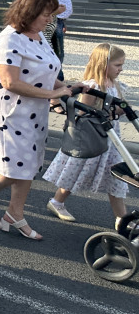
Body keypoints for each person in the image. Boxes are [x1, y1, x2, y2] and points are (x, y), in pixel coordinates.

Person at [0, 0, 68, 241]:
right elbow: (11, 82)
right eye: (46, 14)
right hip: (10, 112)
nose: (50, 19)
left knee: (28, 165)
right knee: (10, 169)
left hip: (34, 109)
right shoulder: (10, 38)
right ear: (29, 13)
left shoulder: (39, 35)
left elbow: (46, 70)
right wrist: (53, 96)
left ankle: (14, 214)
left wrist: (68, 87)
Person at [44, 43, 130, 222]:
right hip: (93, 137)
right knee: (78, 170)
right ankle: (57, 201)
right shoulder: (93, 86)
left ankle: (121, 218)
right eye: (117, 65)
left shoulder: (114, 84)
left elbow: (117, 106)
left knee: (116, 177)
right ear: (103, 65)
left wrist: (120, 110)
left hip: (112, 140)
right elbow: (82, 113)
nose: (121, 69)